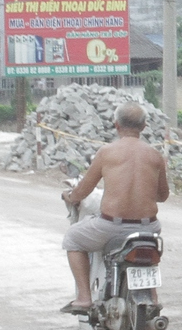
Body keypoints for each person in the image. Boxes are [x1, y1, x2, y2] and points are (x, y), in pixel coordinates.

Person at [59, 103, 169, 314]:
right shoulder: (155, 156)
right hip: (149, 228)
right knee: (149, 253)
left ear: (116, 125)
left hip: (111, 227)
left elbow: (84, 190)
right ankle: (152, 297)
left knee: (72, 238)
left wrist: (71, 197)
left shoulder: (106, 152)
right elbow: (163, 196)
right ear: (144, 126)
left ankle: (83, 298)